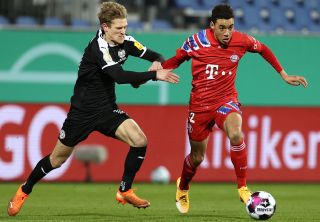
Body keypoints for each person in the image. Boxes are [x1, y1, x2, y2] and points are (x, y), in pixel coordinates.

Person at [7, 1, 179, 216]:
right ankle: (24, 190)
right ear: (105, 27)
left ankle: (124, 190)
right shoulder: (99, 48)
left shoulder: (127, 41)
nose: (123, 32)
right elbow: (119, 76)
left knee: (140, 140)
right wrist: (153, 75)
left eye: (125, 27)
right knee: (57, 160)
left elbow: (156, 56)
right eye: (118, 28)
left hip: (107, 109)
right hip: (82, 113)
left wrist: (156, 64)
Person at [161, 4, 308, 214]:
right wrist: (156, 71)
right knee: (197, 158)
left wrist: (283, 74)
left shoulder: (242, 40)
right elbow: (175, 60)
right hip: (200, 106)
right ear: (212, 25)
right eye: (222, 27)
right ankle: (183, 187)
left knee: (236, 133)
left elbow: (263, 49)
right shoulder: (196, 42)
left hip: (226, 100)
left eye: (230, 27)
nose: (227, 32)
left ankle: (242, 187)